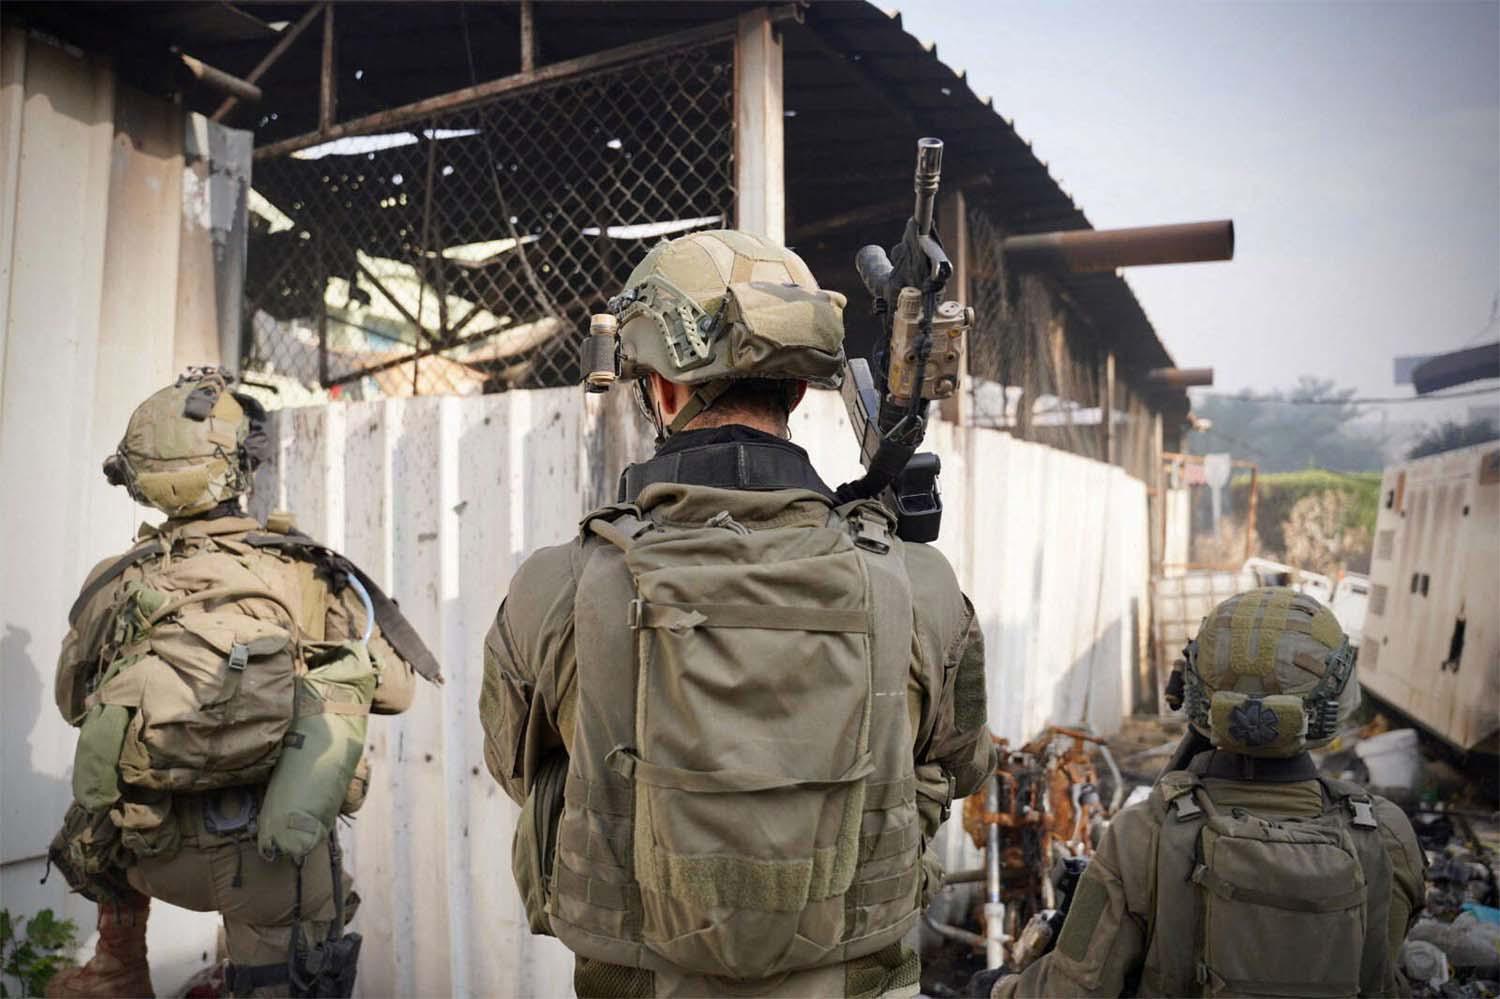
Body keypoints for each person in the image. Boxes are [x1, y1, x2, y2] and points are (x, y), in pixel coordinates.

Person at [481, 229, 997, 998]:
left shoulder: (554, 587)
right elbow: (962, 765)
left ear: (660, 387)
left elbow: (518, 767)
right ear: (798, 391)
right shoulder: (919, 585)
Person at [47, 368, 440, 999]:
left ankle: (117, 962)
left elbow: (74, 703)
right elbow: (396, 690)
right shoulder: (301, 568)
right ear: (239, 469)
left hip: (146, 849)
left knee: (98, 798)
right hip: (271, 856)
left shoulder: (113, 580)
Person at [988, 586, 1424, 999]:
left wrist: (996, 987)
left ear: (1195, 693)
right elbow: (1381, 962)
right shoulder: (1383, 832)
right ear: (1339, 698)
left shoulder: (1143, 834)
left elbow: (1072, 989)